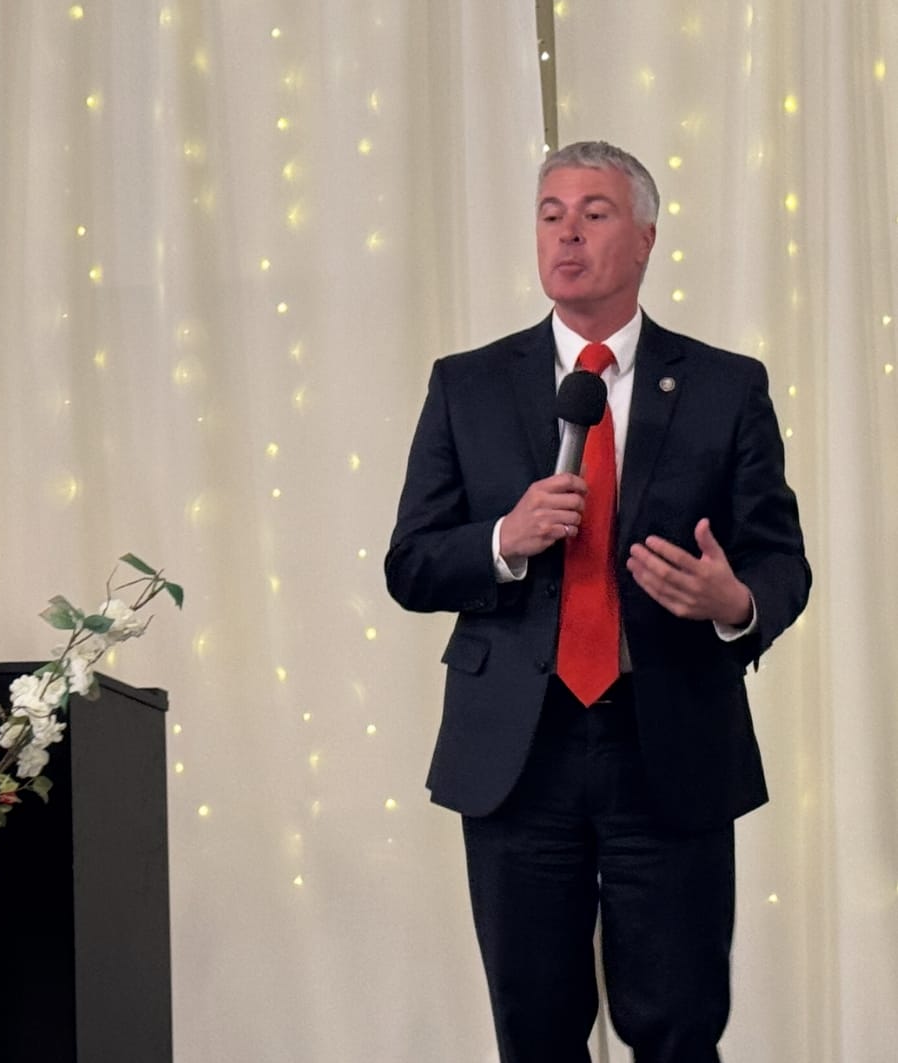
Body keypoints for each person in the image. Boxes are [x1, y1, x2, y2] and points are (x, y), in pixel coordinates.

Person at [385, 141, 810, 1063]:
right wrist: (504, 537)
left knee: (679, 1026)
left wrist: (731, 599)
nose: (567, 231)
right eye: (550, 213)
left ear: (648, 237)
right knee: (534, 1033)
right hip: (518, 753)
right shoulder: (468, 383)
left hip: (669, 741)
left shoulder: (725, 386)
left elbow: (781, 562)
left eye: (594, 211)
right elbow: (411, 562)